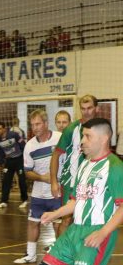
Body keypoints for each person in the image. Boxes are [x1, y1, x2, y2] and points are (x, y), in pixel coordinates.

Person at [25, 118, 123, 265]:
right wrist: (56, 213)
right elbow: (75, 201)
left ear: (104, 138)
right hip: (75, 229)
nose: (83, 142)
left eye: (88, 137)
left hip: (98, 231)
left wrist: (104, 232)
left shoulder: (116, 168)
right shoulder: (84, 165)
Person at [14, 110, 61, 264]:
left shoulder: (59, 139)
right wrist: (42, 177)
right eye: (32, 125)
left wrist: (57, 180)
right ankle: (31, 255)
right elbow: (27, 172)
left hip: (58, 191)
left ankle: (60, 258)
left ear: (46, 123)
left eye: (38, 124)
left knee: (58, 224)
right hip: (38, 193)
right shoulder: (29, 146)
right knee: (33, 222)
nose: (35, 127)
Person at [50, 95, 98, 236]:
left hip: (92, 183)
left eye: (89, 108)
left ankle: (83, 253)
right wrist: (53, 181)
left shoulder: (102, 129)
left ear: (96, 108)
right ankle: (58, 255)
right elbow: (56, 155)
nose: (86, 112)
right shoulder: (72, 129)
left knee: (89, 220)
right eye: (83, 109)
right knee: (66, 220)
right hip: (71, 183)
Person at [0, 122, 28, 208]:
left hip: (19, 160)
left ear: (4, 129)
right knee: (6, 181)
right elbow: (0, 152)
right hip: (9, 161)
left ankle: (24, 200)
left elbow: (23, 145)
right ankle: (4, 201)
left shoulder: (14, 135)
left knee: (21, 180)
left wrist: (26, 158)